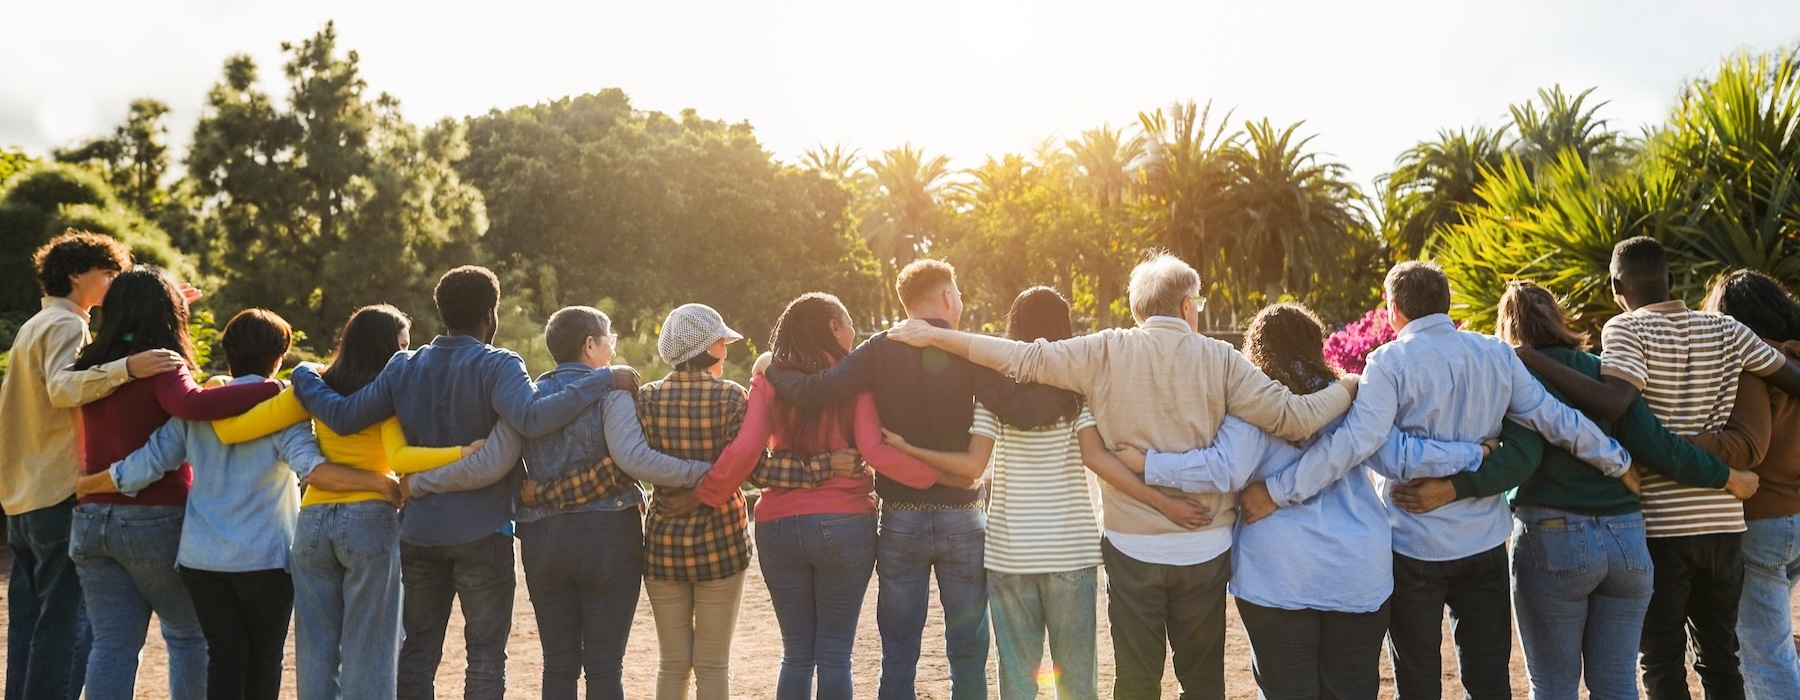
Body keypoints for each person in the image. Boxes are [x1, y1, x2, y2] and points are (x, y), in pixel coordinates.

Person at [886, 254, 1358, 699]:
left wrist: (937, 336)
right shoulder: (1221, 359)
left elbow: (1024, 359)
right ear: (1187, 306)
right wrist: (1351, 384)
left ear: (1138, 309)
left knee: (1134, 677)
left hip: (1131, 545)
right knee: (1201, 678)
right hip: (1204, 546)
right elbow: (1296, 418)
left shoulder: (1107, 350)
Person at [1216, 263, 1632, 700]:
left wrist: (1279, 491)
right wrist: (1617, 462)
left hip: (1413, 546)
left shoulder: (1388, 362)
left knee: (1417, 682)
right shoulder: (1496, 355)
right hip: (1483, 542)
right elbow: (1556, 419)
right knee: (1489, 680)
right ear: (1446, 303)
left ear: (1394, 310)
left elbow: (1360, 443)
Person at [1396, 281, 1758, 700]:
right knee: (1618, 684)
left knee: (1553, 686)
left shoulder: (1517, 376)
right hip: (1626, 539)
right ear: (1558, 318)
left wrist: (1458, 485)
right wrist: (1725, 476)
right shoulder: (1602, 373)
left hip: (1554, 537)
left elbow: (1522, 457)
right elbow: (1659, 446)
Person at [1120, 303, 1491, 700]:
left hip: (1278, 575)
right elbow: (1400, 457)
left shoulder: (1253, 404)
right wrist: (1476, 453)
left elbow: (1224, 469)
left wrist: (1148, 464)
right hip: (1356, 573)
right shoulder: (1353, 398)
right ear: (1316, 346)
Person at [288, 266, 618, 700]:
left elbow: (346, 417)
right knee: (483, 658)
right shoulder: (499, 364)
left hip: (420, 532)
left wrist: (303, 376)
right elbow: (534, 418)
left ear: (440, 312)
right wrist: (604, 380)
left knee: (418, 654)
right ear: (491, 315)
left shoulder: (403, 365)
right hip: (484, 531)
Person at [760, 261, 1075, 700]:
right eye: (959, 294)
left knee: (899, 648)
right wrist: (1078, 380)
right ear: (946, 297)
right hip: (963, 520)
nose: (961, 303)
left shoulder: (876, 350)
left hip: (901, 520)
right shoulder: (966, 351)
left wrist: (771, 368)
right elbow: (1018, 409)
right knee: (967, 648)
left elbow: (816, 391)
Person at [884, 286, 1208, 700]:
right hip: (1070, 553)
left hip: (1009, 555)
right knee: (1076, 683)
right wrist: (1163, 500)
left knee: (1017, 682)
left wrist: (904, 450)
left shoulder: (992, 399)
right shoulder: (1079, 395)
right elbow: (1097, 459)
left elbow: (971, 468)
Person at [1517, 238, 1800, 700]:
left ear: (1615, 286)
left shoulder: (1625, 330)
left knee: (1663, 660)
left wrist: (1531, 358)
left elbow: (1613, 400)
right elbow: (1791, 378)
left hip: (1661, 527)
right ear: (1671, 280)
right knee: (1720, 657)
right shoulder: (1730, 331)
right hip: (1724, 525)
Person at [74, 309, 395, 700]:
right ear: (279, 358)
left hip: (202, 560)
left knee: (224, 658)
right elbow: (314, 470)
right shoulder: (280, 413)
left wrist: (88, 484)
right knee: (264, 659)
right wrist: (382, 482)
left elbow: (146, 466)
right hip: (265, 560)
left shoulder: (197, 410)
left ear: (228, 353)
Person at [424, 305, 724, 700]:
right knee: (604, 668)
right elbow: (633, 460)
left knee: (559, 666)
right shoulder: (612, 392)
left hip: (543, 538)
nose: (614, 347)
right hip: (608, 535)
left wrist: (423, 481)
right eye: (610, 338)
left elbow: (499, 461)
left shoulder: (528, 396)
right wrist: (703, 472)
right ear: (589, 345)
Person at [681, 293, 968, 698]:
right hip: (845, 522)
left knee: (796, 654)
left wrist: (709, 492)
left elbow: (747, 450)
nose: (853, 331)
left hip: (777, 526)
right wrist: (944, 476)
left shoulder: (770, 377)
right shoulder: (854, 379)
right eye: (848, 321)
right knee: (834, 655)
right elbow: (875, 451)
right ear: (834, 328)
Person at [203, 304, 475, 700]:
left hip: (312, 523)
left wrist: (213, 391)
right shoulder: (389, 392)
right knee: (371, 647)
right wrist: (462, 452)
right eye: (401, 345)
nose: (406, 354)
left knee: (315, 647)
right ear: (384, 346)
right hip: (369, 520)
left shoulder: (313, 388)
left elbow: (232, 431)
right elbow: (400, 459)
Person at [66, 268, 282, 700]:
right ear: (169, 313)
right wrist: (275, 389)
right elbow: (192, 404)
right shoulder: (161, 362)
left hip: (92, 518)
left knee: (112, 645)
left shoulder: (94, 362)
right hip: (152, 516)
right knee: (189, 636)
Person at [0, 231, 182, 700]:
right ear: (77, 275)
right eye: (109, 273)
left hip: (21, 498)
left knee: (28, 630)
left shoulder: (33, 326)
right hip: (59, 492)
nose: (115, 282)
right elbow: (63, 388)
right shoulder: (67, 326)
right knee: (65, 631)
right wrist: (129, 368)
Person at [1702, 269, 1800, 700]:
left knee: (1767, 657)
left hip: (1762, 524)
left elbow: (1748, 448)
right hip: (1796, 520)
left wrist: (1668, 443)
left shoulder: (1752, 367)